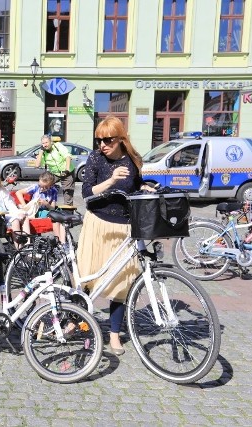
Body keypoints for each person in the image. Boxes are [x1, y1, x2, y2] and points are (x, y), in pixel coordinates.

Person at [77, 115, 155, 356]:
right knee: (87, 278)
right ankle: (82, 324)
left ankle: (113, 335)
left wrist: (145, 187)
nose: (103, 144)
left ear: (120, 138)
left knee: (121, 283)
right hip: (97, 224)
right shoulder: (95, 159)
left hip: (123, 227)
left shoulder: (132, 160)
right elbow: (87, 193)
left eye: (108, 140)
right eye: (99, 140)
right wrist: (111, 180)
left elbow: (136, 184)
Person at [14, 171, 66, 244]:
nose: (42, 189)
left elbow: (52, 208)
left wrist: (46, 204)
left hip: (47, 211)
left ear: (51, 185)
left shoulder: (53, 191)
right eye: (41, 186)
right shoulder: (36, 187)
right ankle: (59, 242)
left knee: (61, 219)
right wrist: (24, 205)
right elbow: (18, 192)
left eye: (45, 187)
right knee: (56, 218)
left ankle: (62, 242)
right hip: (36, 211)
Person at [36, 134, 74, 205]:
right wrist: (41, 152)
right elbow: (37, 165)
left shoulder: (58, 146)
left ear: (51, 142)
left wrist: (67, 169)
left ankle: (68, 212)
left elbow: (67, 156)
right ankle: (48, 204)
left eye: (46, 142)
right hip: (54, 173)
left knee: (68, 192)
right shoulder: (43, 152)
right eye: (43, 143)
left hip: (66, 172)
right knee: (44, 184)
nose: (45, 145)